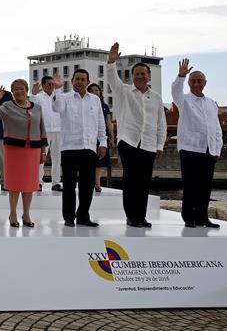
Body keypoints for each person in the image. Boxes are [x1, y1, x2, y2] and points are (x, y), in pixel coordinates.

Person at [105, 42, 167, 228]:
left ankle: (141, 216)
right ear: (132, 76)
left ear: (148, 76)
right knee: (131, 180)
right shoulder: (123, 91)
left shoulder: (155, 97)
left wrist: (160, 144)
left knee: (144, 182)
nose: (140, 76)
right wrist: (111, 62)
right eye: (137, 74)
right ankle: (131, 216)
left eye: (143, 74)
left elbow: (161, 123)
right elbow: (111, 78)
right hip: (129, 141)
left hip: (148, 144)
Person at [52, 70, 107, 227]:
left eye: (83, 79)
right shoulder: (64, 97)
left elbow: (100, 123)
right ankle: (69, 217)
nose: (80, 82)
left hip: (89, 147)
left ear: (88, 81)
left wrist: (102, 142)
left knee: (87, 185)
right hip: (69, 147)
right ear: (72, 81)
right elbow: (56, 108)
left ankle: (83, 216)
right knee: (69, 184)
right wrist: (56, 89)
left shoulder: (95, 100)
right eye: (77, 79)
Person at [0, 79, 47, 228]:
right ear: (12, 92)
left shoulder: (37, 108)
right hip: (14, 149)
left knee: (29, 184)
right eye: (16, 89)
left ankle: (26, 213)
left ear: (26, 90)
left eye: (22, 89)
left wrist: (43, 151)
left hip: (33, 149)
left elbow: (42, 129)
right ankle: (13, 213)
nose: (19, 91)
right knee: (14, 182)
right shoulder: (7, 106)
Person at [173, 59, 222, 228]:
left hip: (208, 149)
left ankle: (202, 216)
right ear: (188, 83)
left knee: (205, 186)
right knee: (190, 184)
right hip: (190, 148)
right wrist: (180, 76)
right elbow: (175, 91)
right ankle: (189, 217)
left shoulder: (211, 103)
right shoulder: (183, 100)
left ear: (205, 83)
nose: (196, 83)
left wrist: (217, 149)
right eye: (193, 81)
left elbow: (216, 128)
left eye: (199, 80)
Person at [30, 75, 63, 191]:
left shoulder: (58, 96)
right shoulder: (38, 97)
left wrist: (58, 89)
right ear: (43, 85)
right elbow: (31, 107)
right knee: (41, 158)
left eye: (52, 84)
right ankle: (38, 182)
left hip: (58, 131)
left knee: (57, 158)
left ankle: (56, 182)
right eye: (48, 84)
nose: (51, 86)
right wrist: (33, 94)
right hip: (44, 132)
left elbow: (61, 108)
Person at [86, 83, 115, 192]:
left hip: (102, 137)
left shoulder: (104, 106)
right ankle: (90, 182)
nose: (95, 92)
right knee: (90, 161)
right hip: (90, 136)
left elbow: (109, 122)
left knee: (100, 161)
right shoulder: (86, 104)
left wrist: (111, 137)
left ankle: (97, 183)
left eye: (97, 90)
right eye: (92, 90)